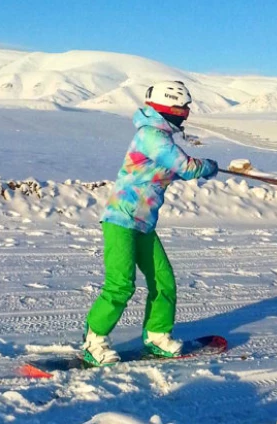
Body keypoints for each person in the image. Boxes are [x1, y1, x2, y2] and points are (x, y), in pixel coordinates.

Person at [82, 80, 219, 366]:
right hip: (121, 219)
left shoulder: (161, 139)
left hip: (143, 222)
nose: (186, 112)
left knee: (163, 279)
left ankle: (157, 335)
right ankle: (94, 341)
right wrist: (206, 166)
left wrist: (201, 169)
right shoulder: (152, 136)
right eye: (183, 107)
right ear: (169, 107)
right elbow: (184, 166)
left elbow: (171, 170)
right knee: (120, 285)